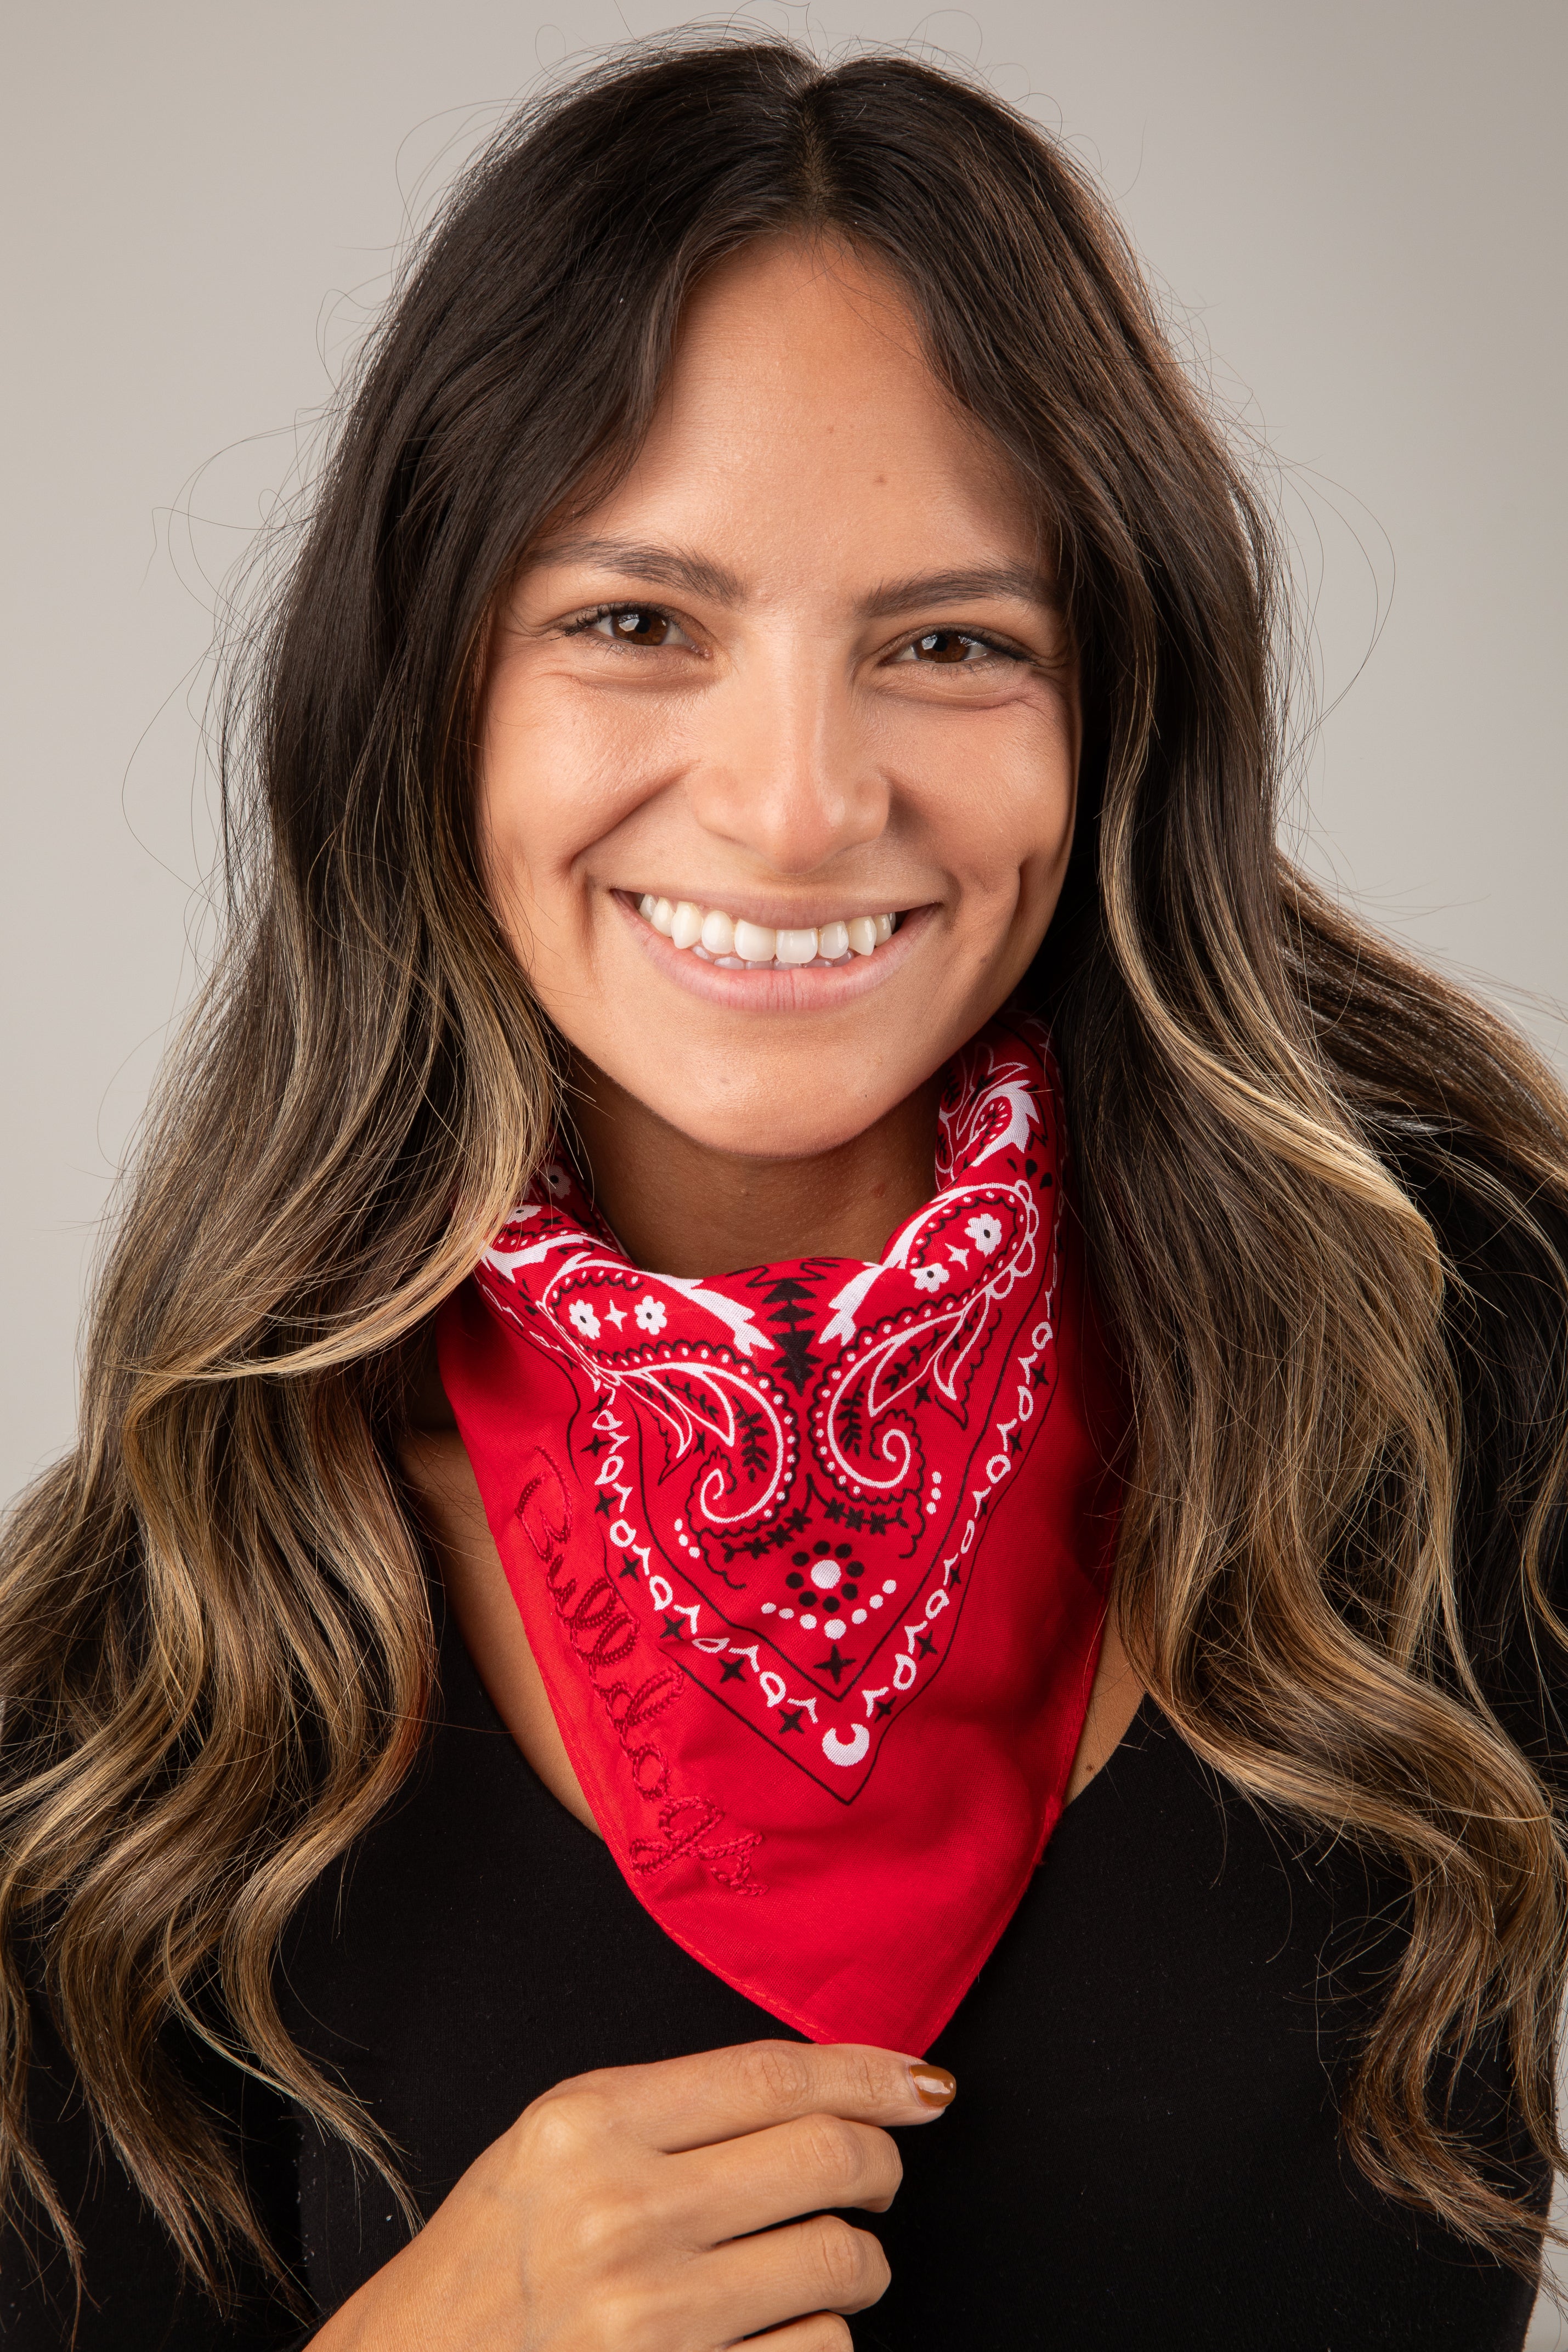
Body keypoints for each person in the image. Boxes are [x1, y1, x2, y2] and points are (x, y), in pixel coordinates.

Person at [2, 35, 1565, 2352]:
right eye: (635, 621)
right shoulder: (141, 1674)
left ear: (1108, 715)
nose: (800, 801)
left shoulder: (1461, 1387)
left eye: (949, 642)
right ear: (432, 690)